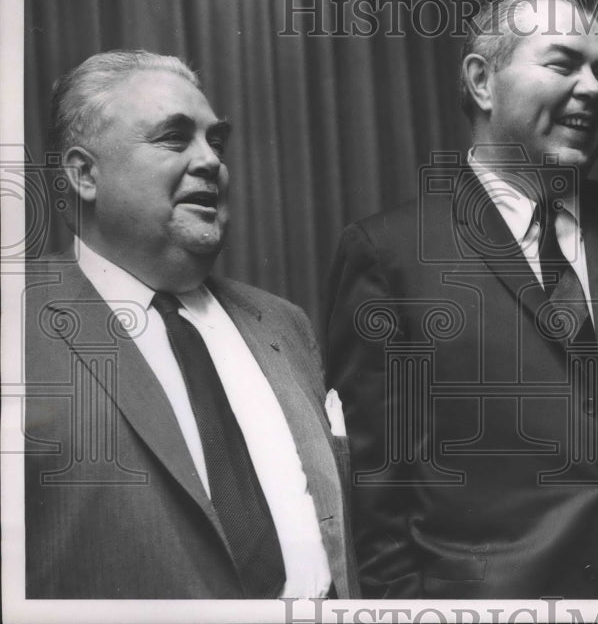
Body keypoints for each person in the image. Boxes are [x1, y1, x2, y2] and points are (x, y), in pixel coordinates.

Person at [325, 0, 598, 598]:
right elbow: (375, 498)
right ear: (480, 82)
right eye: (563, 64)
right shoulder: (388, 256)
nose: (592, 90)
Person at [23, 50, 358, 599]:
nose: (210, 162)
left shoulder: (281, 323)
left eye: (216, 142)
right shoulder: (17, 321)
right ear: (84, 173)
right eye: (174, 138)